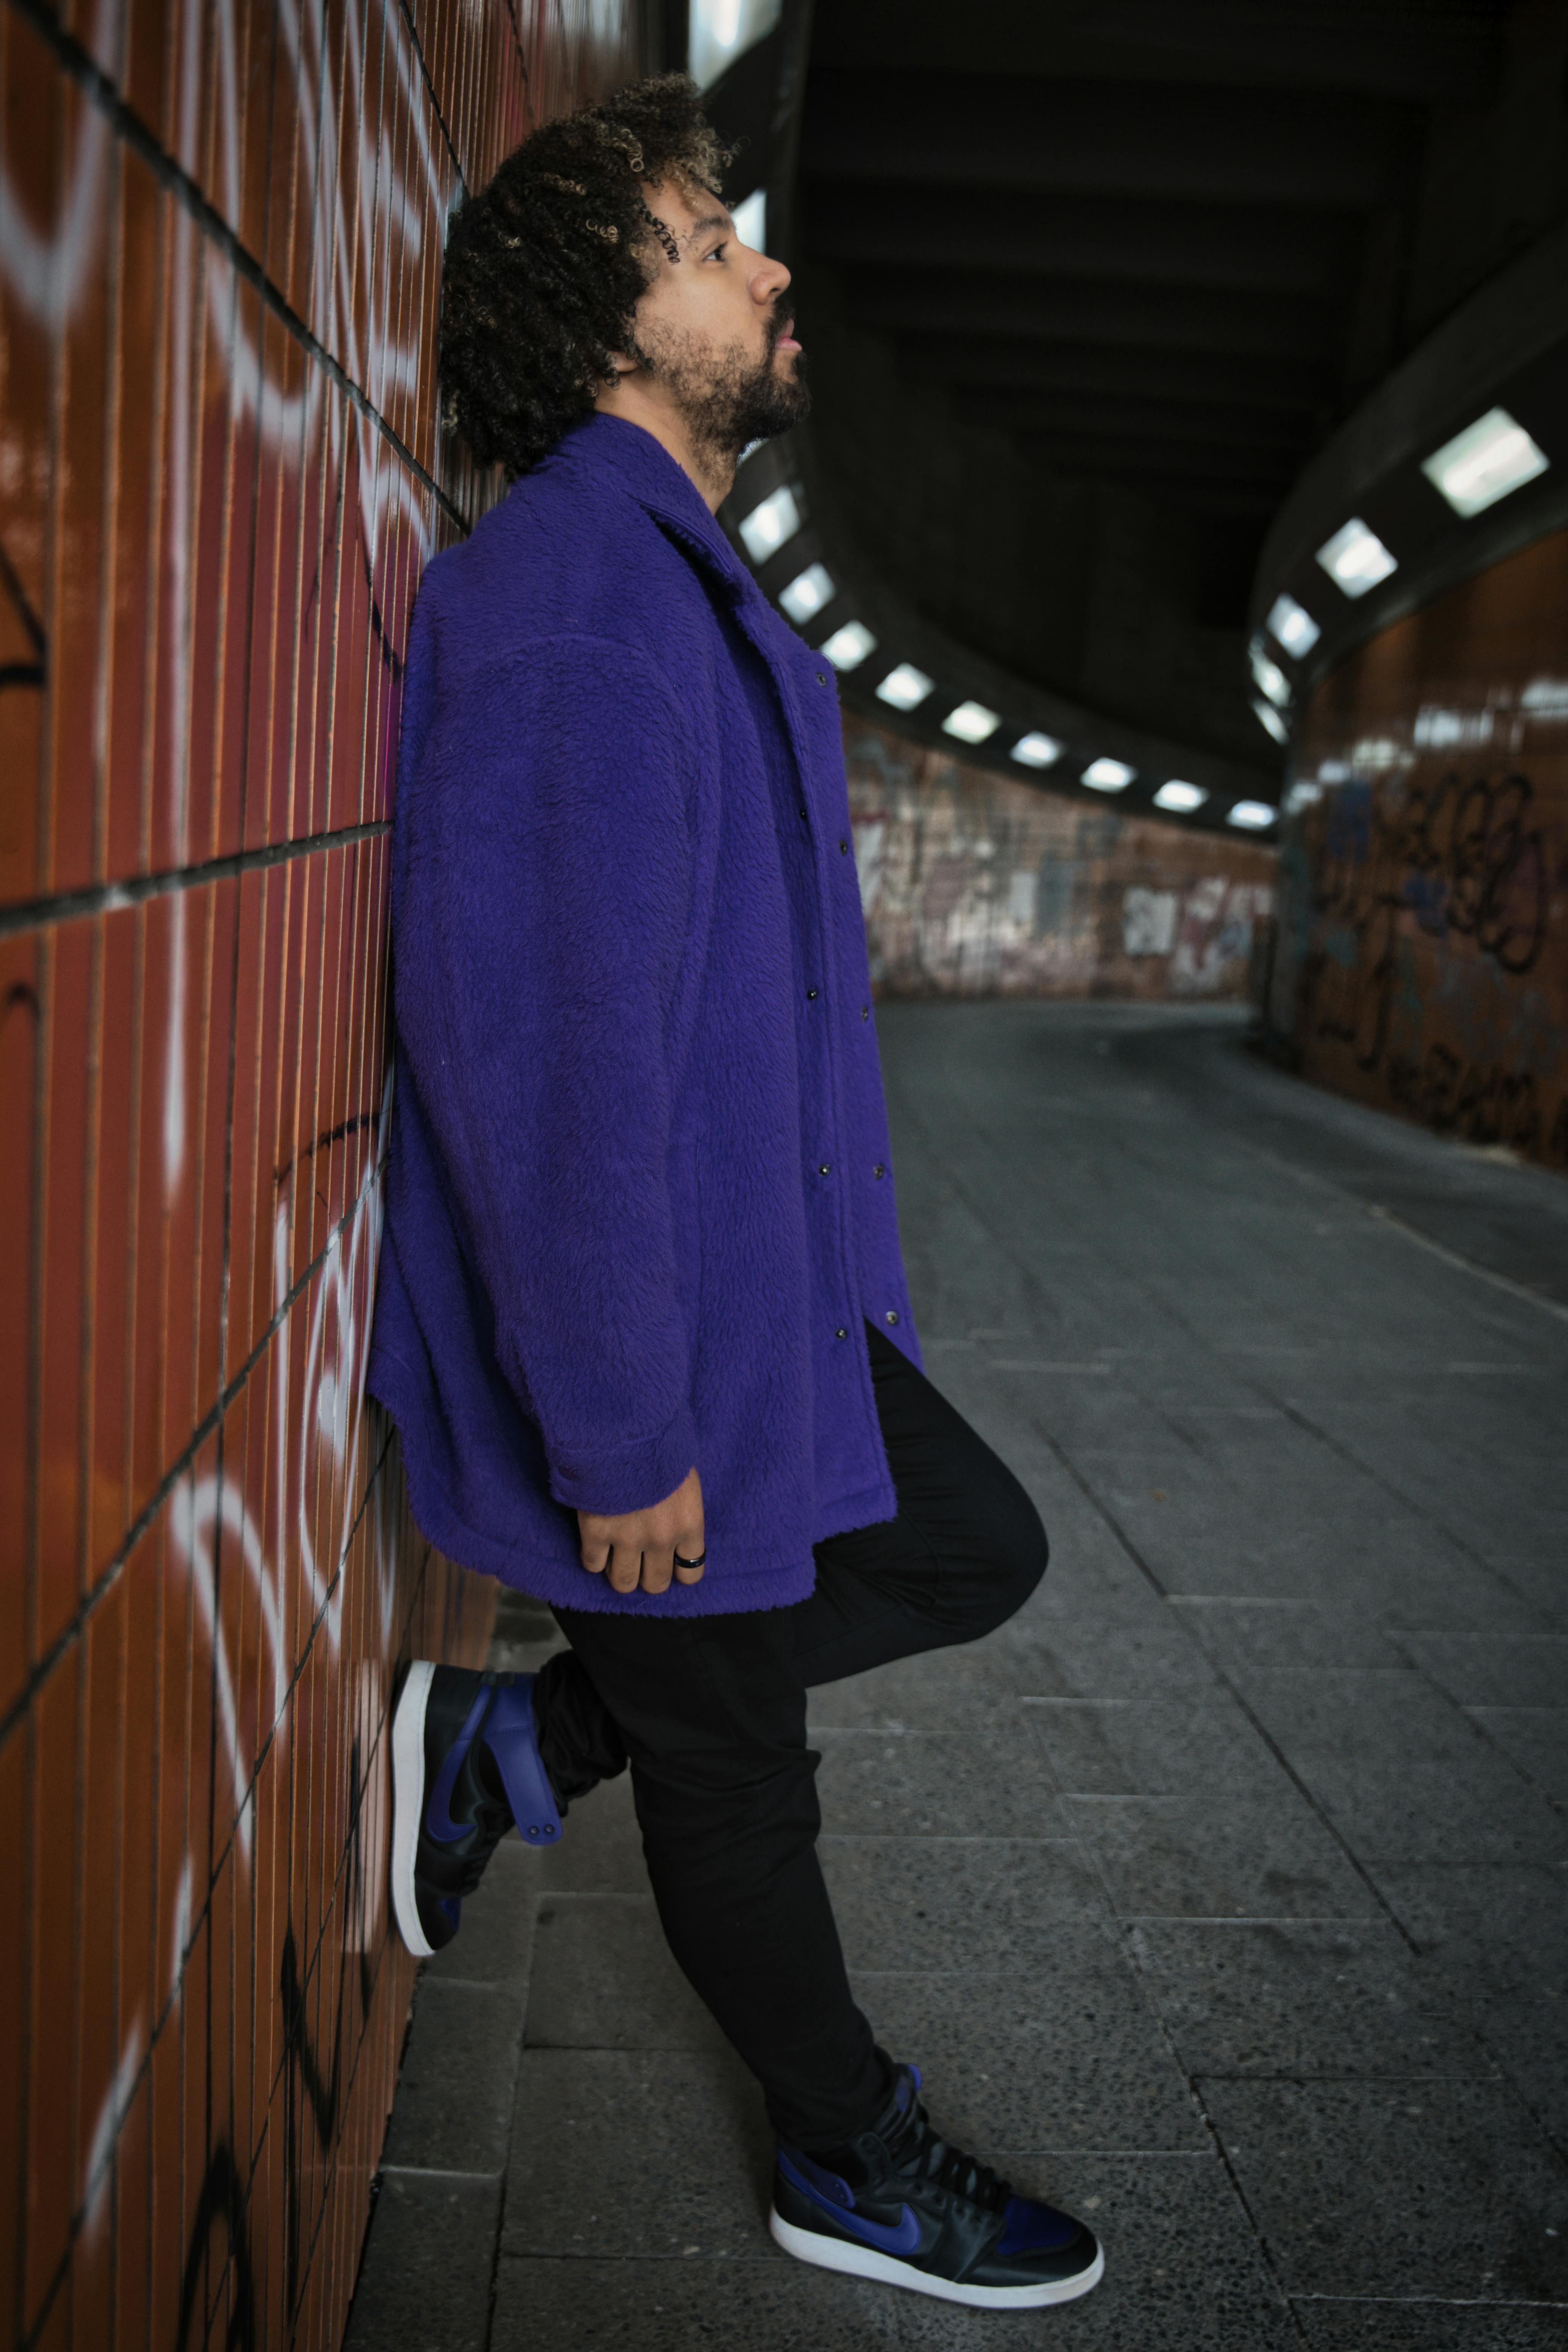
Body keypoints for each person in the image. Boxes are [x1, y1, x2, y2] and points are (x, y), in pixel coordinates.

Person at [366, 73, 1103, 2315]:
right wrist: (622, 1440)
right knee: (738, 1770)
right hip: (656, 1360)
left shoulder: (666, 587)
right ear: (607, 313)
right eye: (711, 237)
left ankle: (529, 1728)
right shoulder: (580, 604)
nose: (769, 265)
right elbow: (540, 1062)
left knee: (967, 1537)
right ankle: (843, 2149)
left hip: (758, 1313)